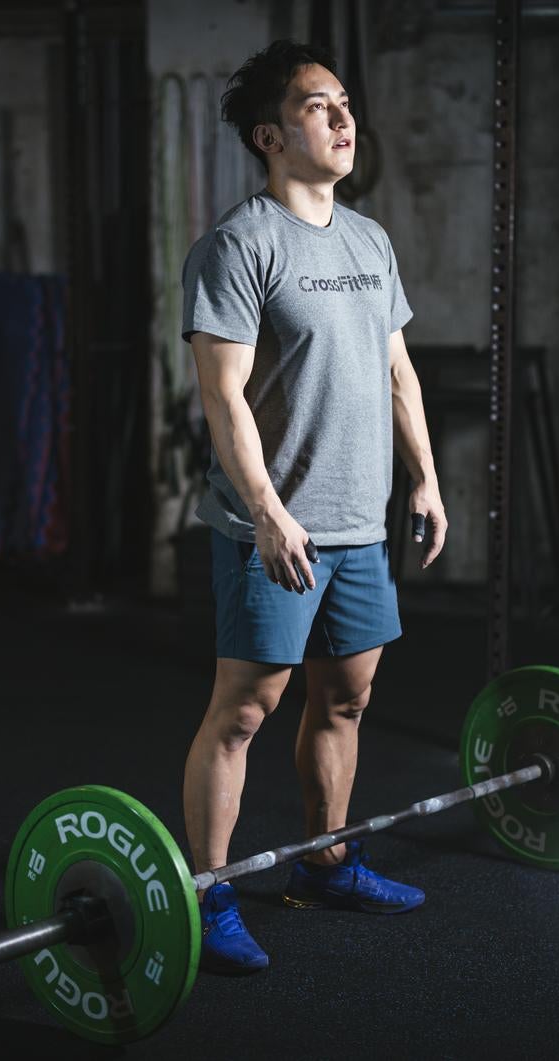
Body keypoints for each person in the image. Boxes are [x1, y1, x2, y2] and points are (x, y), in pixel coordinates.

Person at [179, 39, 448, 974]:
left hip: (359, 525)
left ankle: (325, 864)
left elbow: (399, 372)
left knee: (347, 698)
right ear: (270, 136)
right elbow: (221, 396)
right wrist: (266, 508)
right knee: (245, 711)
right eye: (317, 105)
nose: (343, 118)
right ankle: (206, 894)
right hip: (276, 529)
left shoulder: (370, 241)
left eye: (344, 103)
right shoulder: (237, 246)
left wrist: (425, 476)